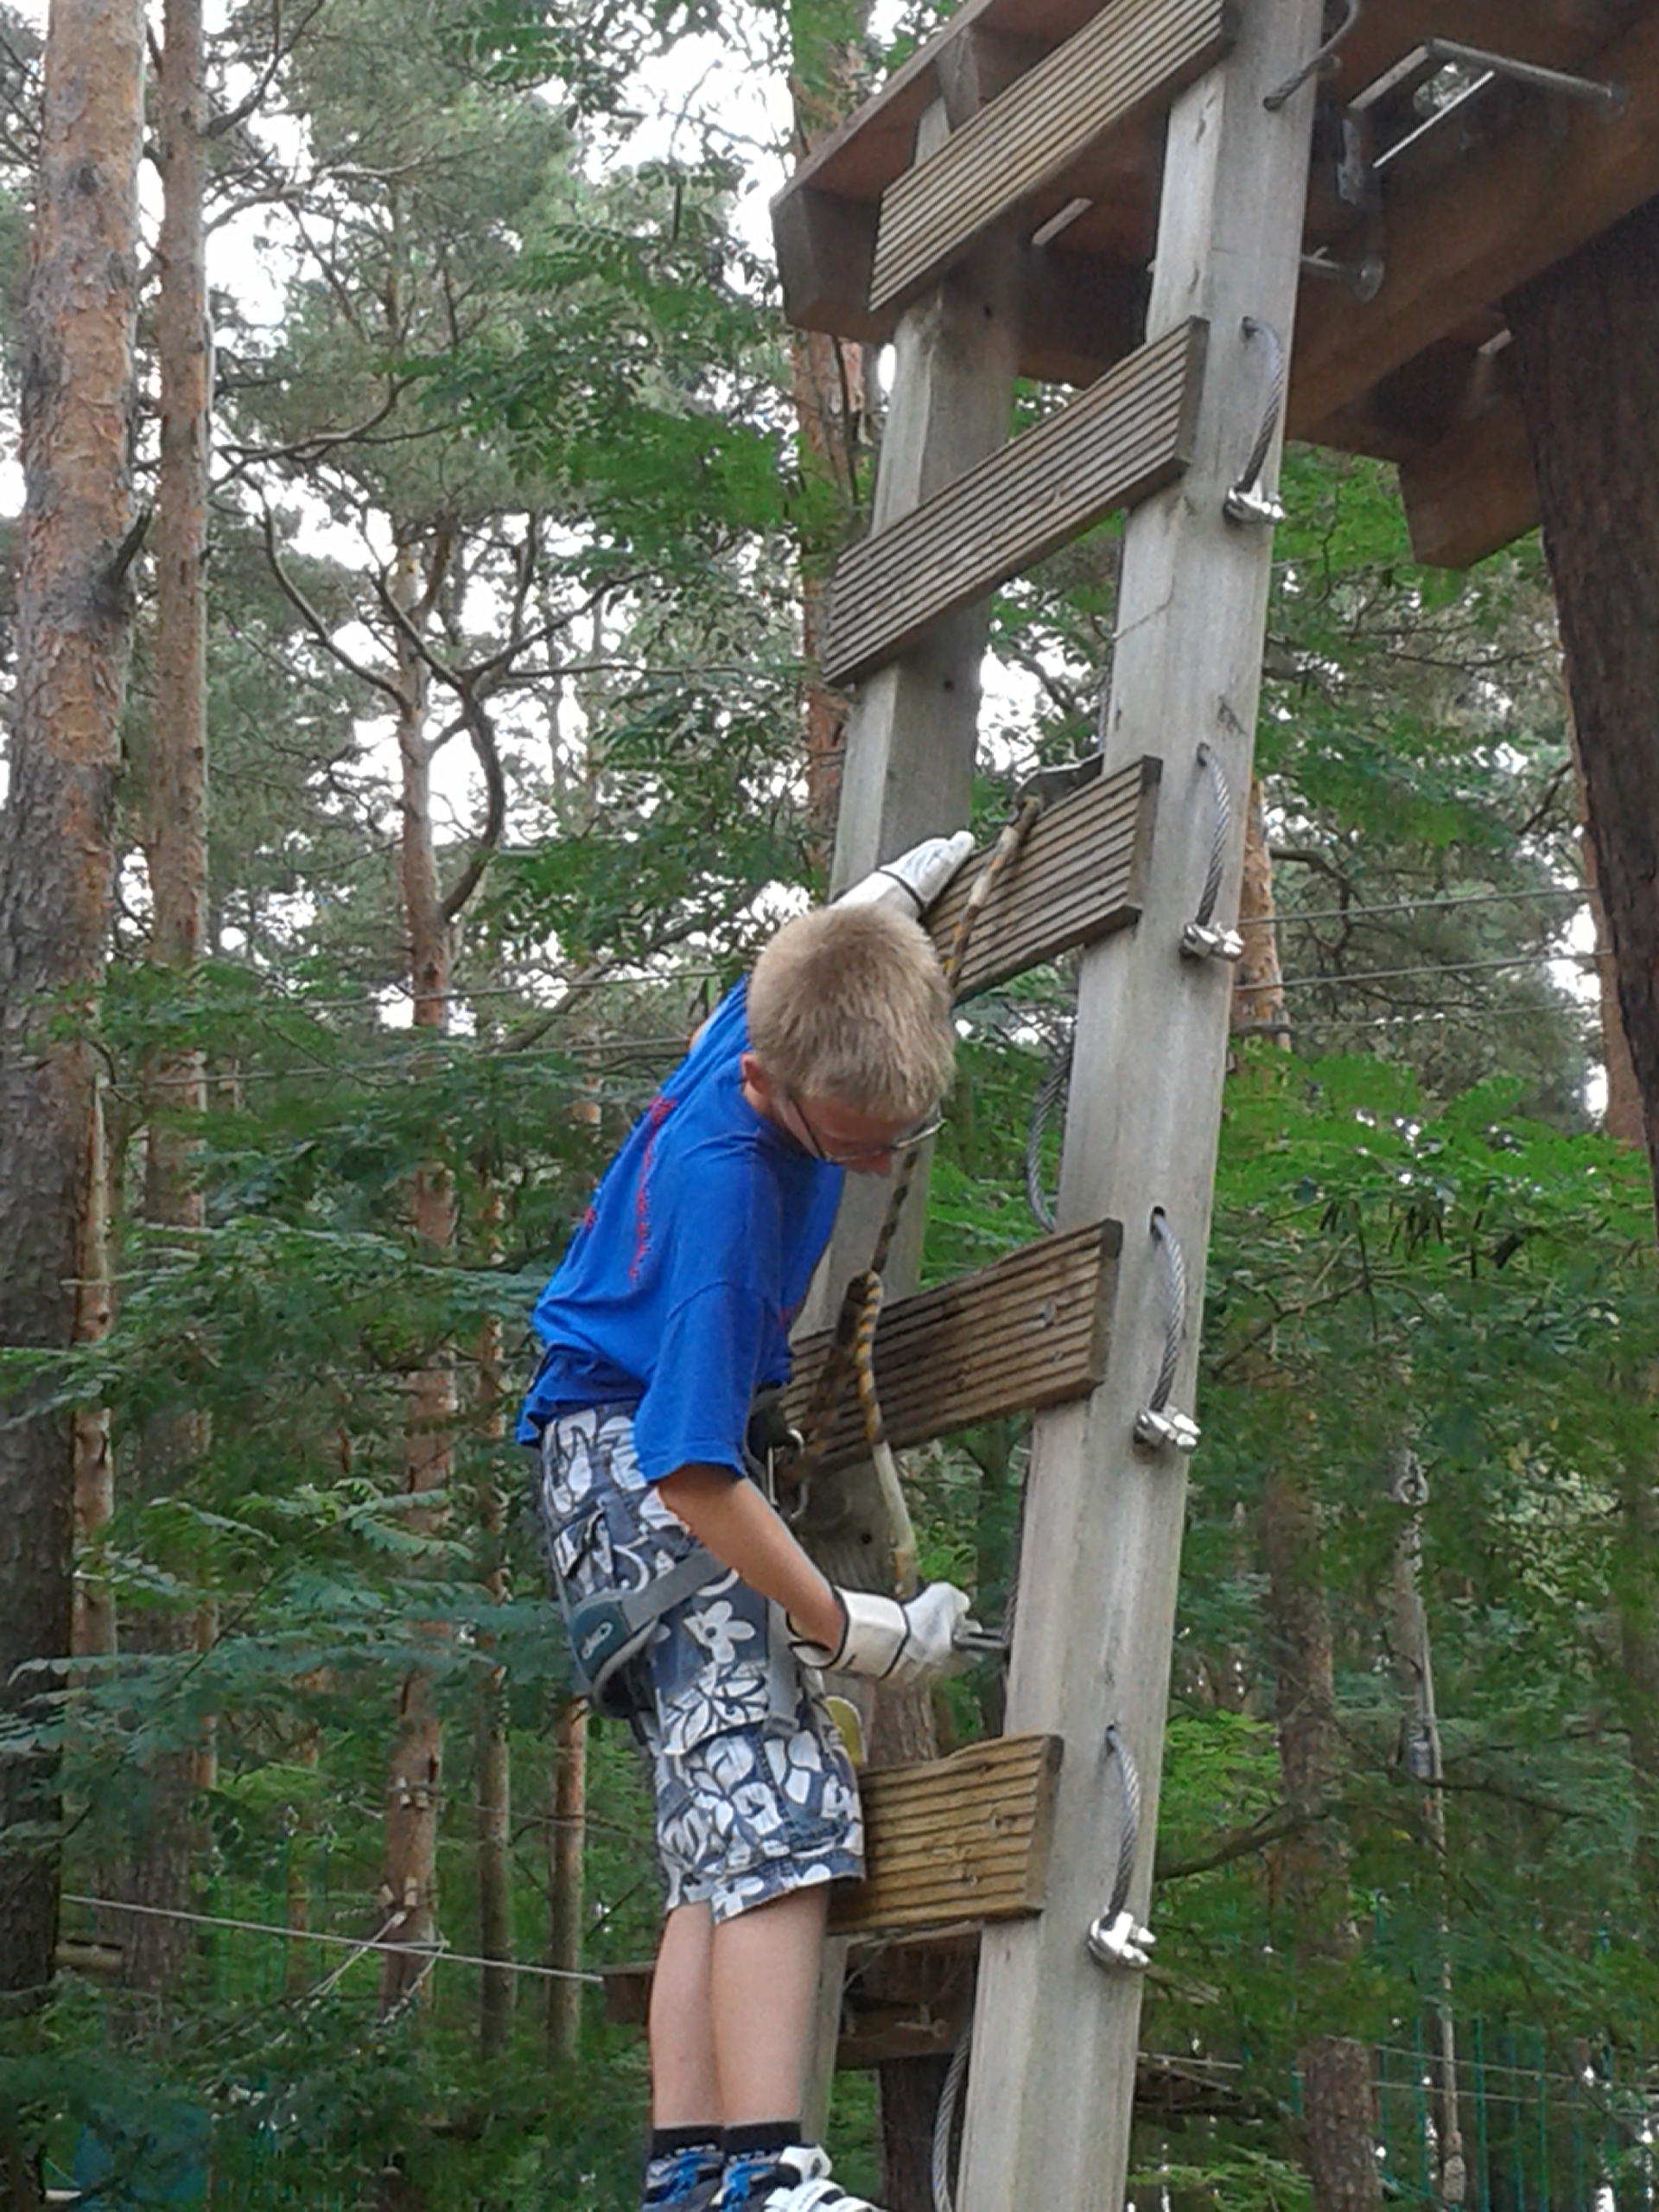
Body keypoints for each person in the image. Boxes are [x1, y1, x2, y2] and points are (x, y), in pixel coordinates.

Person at [519, 837, 977, 2212]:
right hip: (647, 1473)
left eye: (902, 1132)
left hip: (589, 1472)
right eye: (858, 1139)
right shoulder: (729, 1195)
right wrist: (849, 1630)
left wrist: (893, 895)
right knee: (779, 1803)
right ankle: (767, 2171)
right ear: (777, 1089)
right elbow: (690, 1469)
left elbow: (821, 947)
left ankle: (692, 2173)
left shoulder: (773, 1016)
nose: (880, 1157)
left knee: (713, 1832)